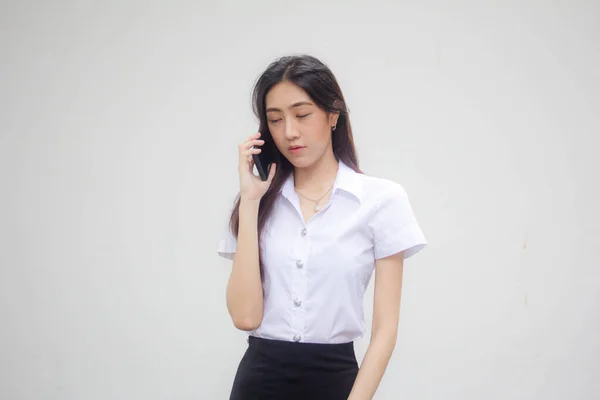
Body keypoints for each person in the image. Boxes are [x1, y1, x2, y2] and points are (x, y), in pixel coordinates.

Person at [217, 54, 427, 400]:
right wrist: (251, 201)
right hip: (259, 382)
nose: (289, 132)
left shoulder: (380, 200)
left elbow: (386, 330)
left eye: (302, 115)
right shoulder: (256, 202)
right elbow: (245, 316)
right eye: (275, 119)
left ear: (333, 115)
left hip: (335, 382)